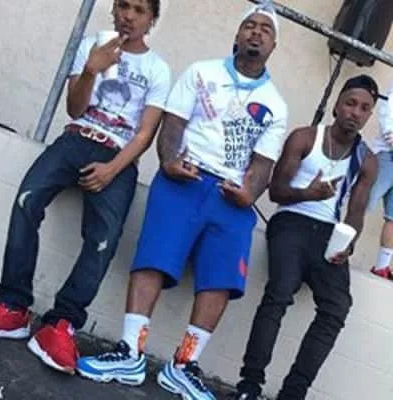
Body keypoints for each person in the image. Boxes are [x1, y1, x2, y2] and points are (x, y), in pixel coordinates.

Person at [76, 2, 288, 399]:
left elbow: (263, 164)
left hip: (231, 197)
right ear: (237, 35)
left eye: (265, 29)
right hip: (184, 179)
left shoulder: (276, 104)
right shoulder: (201, 72)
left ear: (273, 45)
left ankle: (183, 365)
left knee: (221, 279)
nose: (257, 33)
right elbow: (172, 124)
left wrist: (249, 193)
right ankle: (130, 352)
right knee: (153, 258)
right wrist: (170, 162)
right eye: (250, 25)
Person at [0, 0, 171, 375]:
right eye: (123, 5)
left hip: (118, 157)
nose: (129, 15)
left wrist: (111, 170)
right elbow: (74, 109)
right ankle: (12, 306)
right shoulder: (92, 44)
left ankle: (62, 324)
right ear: (113, 9)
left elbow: (144, 134)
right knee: (27, 199)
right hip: (75, 138)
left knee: (104, 239)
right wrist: (91, 70)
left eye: (140, 9)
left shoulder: (158, 69)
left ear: (152, 19)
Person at [230, 75, 378, 400]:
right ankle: (249, 386)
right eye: (350, 103)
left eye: (364, 108)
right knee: (280, 292)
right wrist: (308, 194)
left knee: (337, 307)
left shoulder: (366, 160)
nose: (355, 112)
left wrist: (348, 244)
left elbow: (356, 212)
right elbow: (277, 191)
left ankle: (293, 393)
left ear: (369, 115)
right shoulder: (305, 138)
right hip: (291, 221)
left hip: (328, 232)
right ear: (337, 105)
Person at [368, 81, 393, 280]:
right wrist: (391, 135)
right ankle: (338, 246)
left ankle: (382, 266)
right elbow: (387, 105)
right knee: (365, 201)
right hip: (388, 153)